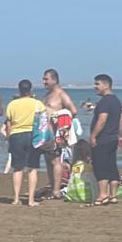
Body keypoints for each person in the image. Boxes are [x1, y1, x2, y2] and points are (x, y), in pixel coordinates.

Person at [3, 79, 44, 207]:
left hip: (16, 135)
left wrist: (9, 138)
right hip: (33, 135)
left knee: (17, 168)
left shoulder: (12, 104)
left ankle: (16, 199)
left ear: (19, 90)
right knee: (32, 168)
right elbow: (43, 122)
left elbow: (9, 124)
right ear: (31, 90)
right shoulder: (38, 103)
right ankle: (31, 200)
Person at [41, 69, 79, 198]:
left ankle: (56, 191)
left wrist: (59, 119)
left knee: (56, 161)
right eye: (43, 79)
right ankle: (53, 188)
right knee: (48, 161)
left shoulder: (61, 94)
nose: (44, 81)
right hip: (45, 134)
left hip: (56, 134)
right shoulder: (48, 94)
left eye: (46, 79)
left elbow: (73, 110)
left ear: (54, 80)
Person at [88, 74, 122, 205]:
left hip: (103, 138)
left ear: (106, 85)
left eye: (97, 84)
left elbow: (102, 120)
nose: (95, 87)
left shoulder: (105, 101)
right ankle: (113, 195)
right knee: (111, 165)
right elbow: (121, 120)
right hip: (113, 138)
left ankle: (103, 195)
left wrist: (93, 136)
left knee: (100, 166)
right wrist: (120, 136)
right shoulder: (116, 101)